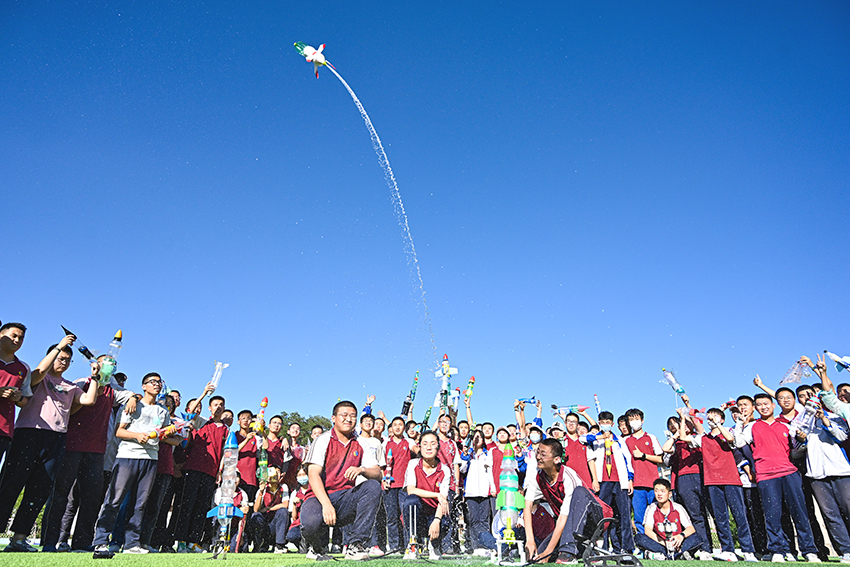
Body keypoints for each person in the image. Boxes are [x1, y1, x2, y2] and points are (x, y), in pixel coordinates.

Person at [0, 335, 97, 552]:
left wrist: (96, 377)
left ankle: (19, 539)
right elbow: (37, 374)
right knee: (11, 484)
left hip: (56, 438)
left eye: (67, 360)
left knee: (38, 490)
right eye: (60, 357)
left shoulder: (70, 387)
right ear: (51, 357)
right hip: (28, 434)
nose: (63, 362)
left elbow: (89, 400)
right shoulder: (36, 377)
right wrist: (59, 346)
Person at [42, 356, 138, 552]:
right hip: (71, 446)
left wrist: (133, 398)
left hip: (96, 452)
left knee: (91, 498)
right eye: (106, 362)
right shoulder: (80, 383)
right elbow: (70, 409)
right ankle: (51, 540)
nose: (110, 366)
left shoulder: (114, 391)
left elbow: (131, 395)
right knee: (61, 494)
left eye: (114, 364)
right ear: (96, 364)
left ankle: (82, 542)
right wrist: (94, 384)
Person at [92, 372, 175, 557]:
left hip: (151, 459)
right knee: (114, 499)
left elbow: (161, 435)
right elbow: (119, 432)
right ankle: (101, 541)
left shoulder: (163, 411)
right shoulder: (133, 404)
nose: (157, 385)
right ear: (143, 386)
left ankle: (132, 544)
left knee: (140, 504)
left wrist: (168, 433)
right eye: (152, 382)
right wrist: (137, 436)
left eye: (159, 382)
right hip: (127, 457)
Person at [733, 390, 820, 562]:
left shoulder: (787, 426)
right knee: (772, 515)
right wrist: (739, 424)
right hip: (766, 476)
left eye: (766, 404)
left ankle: (809, 550)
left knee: (800, 513)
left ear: (773, 405)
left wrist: (802, 441)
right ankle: (777, 550)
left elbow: (796, 450)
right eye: (759, 405)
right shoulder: (752, 427)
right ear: (756, 409)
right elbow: (738, 443)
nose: (763, 407)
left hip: (789, 473)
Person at [300, 400, 382, 561]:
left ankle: (356, 545)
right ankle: (316, 547)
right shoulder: (323, 440)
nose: (348, 419)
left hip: (345, 498)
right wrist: (326, 504)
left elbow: (378, 473)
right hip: (318, 498)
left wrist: (362, 470)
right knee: (310, 524)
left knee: (372, 486)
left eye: (352, 416)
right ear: (333, 418)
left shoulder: (361, 442)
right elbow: (313, 474)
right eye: (344, 415)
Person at [523, 438, 611, 564]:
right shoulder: (537, 474)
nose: (538, 457)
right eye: (538, 452)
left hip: (597, 518)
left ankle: (569, 552)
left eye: (543, 454)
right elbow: (527, 505)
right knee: (539, 555)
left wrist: (548, 552)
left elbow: (563, 517)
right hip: (571, 524)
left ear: (557, 460)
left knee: (579, 491)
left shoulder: (568, 477)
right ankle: (588, 551)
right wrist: (530, 540)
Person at [690, 406, 757, 561]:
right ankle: (728, 549)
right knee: (720, 517)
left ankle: (748, 550)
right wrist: (688, 414)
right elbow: (687, 436)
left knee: (739, 515)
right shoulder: (704, 437)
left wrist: (719, 424)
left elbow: (731, 440)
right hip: (712, 481)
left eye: (715, 416)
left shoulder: (729, 431)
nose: (711, 419)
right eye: (709, 417)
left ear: (722, 419)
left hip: (731, 479)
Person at [174, 382, 229, 552]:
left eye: (221, 405)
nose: (218, 407)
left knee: (201, 508)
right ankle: (180, 540)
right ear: (209, 408)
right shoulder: (201, 422)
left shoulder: (227, 430)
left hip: (211, 472)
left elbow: (224, 453)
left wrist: (220, 471)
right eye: (215, 405)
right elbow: (190, 412)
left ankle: (193, 542)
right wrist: (204, 393)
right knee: (187, 505)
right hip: (193, 469)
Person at [661, 410, 713, 560]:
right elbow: (665, 449)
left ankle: (719, 547)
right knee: (694, 515)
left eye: (687, 423)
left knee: (709, 513)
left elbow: (699, 426)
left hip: (702, 476)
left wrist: (686, 414)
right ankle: (702, 547)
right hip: (684, 479)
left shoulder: (699, 437)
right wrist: (677, 432)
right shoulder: (678, 441)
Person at [587, 411, 634, 554]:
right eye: (603, 422)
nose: (606, 425)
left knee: (624, 514)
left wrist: (630, 479)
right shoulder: (595, 439)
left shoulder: (620, 440)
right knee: (603, 515)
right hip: (604, 481)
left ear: (612, 424)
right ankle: (603, 548)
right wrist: (601, 436)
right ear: (599, 423)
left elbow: (628, 459)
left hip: (620, 481)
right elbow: (584, 438)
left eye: (608, 423)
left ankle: (626, 548)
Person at [402, 430, 451, 561]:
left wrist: (437, 520)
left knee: (445, 518)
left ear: (438, 447)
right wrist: (436, 494)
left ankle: (433, 545)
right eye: (425, 443)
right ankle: (413, 544)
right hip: (418, 515)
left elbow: (443, 499)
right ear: (420, 446)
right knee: (410, 500)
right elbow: (411, 490)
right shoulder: (413, 464)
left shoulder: (445, 470)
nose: (429, 447)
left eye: (432, 443)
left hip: (434, 514)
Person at [635, 478, 702, 560]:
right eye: (656, 491)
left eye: (662, 491)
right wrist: (664, 543)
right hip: (660, 543)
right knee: (639, 538)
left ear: (670, 494)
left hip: (677, 543)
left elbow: (690, 528)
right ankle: (676, 555)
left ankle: (670, 554)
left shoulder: (678, 508)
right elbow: (648, 530)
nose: (659, 494)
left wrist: (681, 536)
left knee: (697, 537)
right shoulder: (651, 508)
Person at [623, 407, 662, 535]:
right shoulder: (626, 441)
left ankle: (658, 542)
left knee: (656, 515)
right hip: (637, 484)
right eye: (631, 420)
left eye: (637, 419)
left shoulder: (651, 437)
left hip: (653, 483)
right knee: (639, 517)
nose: (634, 422)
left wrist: (643, 455)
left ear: (642, 420)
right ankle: (642, 543)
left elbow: (661, 459)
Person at [383, 416, 417, 554]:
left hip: (405, 485)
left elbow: (416, 449)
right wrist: (383, 480)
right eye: (395, 425)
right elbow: (381, 465)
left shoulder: (408, 441)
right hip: (389, 485)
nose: (397, 427)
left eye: (400, 424)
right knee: (392, 517)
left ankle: (408, 545)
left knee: (406, 516)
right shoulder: (385, 443)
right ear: (391, 428)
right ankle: (394, 547)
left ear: (404, 428)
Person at [458, 429, 495, 556]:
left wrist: (492, 487)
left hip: (484, 492)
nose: (477, 439)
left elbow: (490, 472)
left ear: (483, 440)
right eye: (474, 437)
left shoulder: (487, 454)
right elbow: (462, 470)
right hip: (471, 492)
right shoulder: (469, 454)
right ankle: (476, 546)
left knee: (484, 519)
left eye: (479, 437)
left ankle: (486, 545)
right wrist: (465, 456)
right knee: (473, 520)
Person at [0, 322, 31, 463]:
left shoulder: (23, 369)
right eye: (13, 336)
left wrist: (19, 398)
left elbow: (25, 401)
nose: (17, 340)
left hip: (4, 430)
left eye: (21, 338)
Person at [246, 466, 290, 553]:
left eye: (277, 473)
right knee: (256, 516)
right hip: (264, 525)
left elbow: (285, 504)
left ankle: (279, 545)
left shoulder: (283, 487)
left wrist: (267, 508)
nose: (274, 475)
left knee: (283, 511)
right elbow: (256, 509)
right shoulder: (263, 488)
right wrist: (261, 492)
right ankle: (259, 545)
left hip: (275, 524)